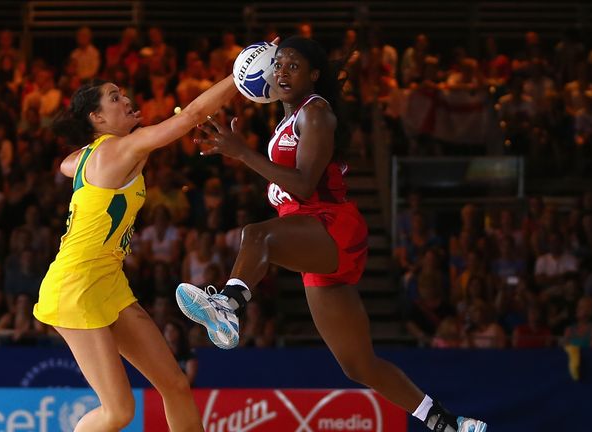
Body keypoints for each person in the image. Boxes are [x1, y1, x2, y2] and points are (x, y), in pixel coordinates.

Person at [176, 36, 486, 432]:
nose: (283, 72)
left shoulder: (316, 113)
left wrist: (242, 153)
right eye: (280, 64)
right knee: (358, 365)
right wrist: (238, 151)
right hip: (310, 234)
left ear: (315, 75)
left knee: (256, 236)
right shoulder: (289, 118)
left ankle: (229, 306)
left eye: (294, 66)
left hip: (329, 225)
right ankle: (447, 422)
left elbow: (305, 185)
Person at [32, 55, 246, 430]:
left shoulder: (85, 159)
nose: (126, 99)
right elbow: (192, 114)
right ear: (97, 119)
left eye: (123, 94)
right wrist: (239, 76)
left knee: (175, 384)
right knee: (118, 412)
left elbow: (66, 163)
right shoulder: (122, 149)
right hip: (75, 286)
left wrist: (86, 150)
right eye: (114, 98)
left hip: (108, 282)